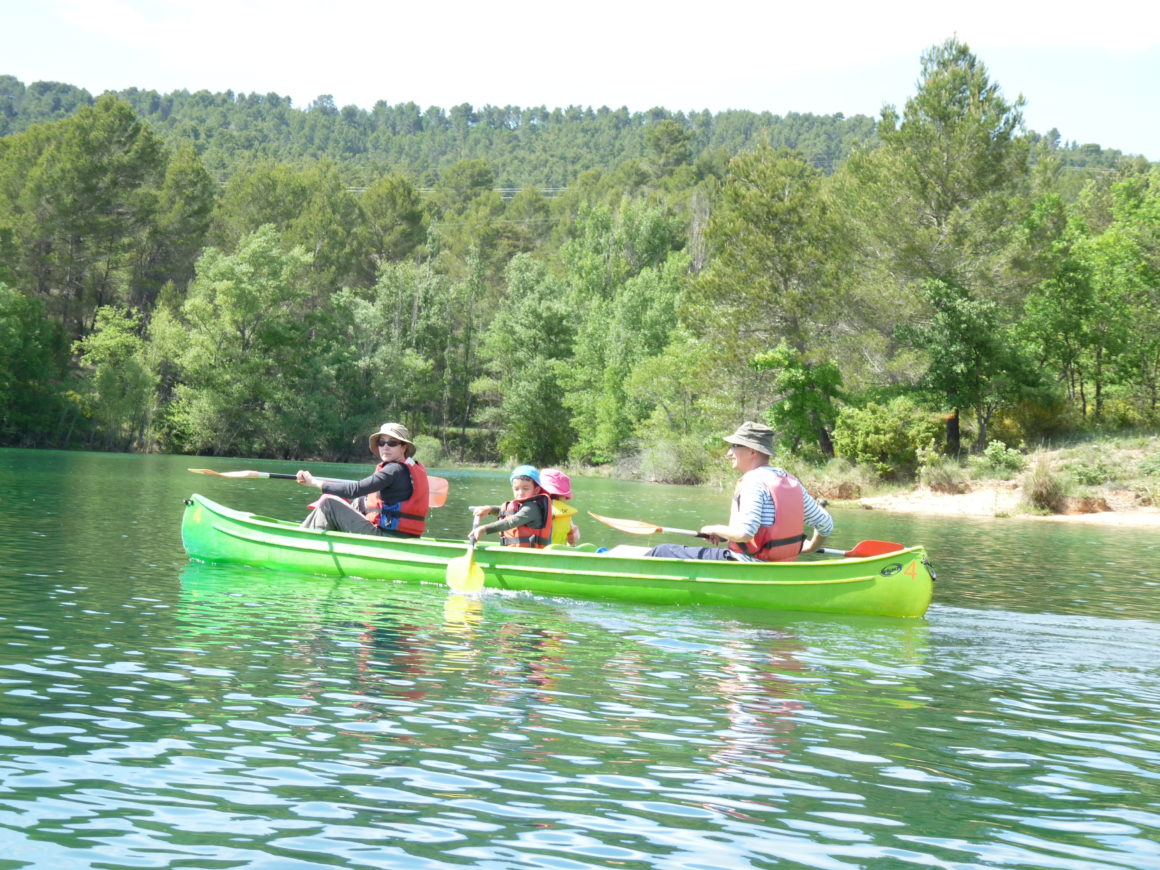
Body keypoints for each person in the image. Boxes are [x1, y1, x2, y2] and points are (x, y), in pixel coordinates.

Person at [646, 421, 833, 561]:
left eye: (734, 446)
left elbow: (745, 534)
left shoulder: (753, 481)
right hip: (776, 566)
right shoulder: (789, 481)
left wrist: (712, 528)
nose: (729, 453)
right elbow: (825, 524)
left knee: (660, 551)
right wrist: (807, 548)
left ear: (753, 452)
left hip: (743, 563)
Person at [296, 422, 429, 538]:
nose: (385, 447)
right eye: (381, 442)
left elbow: (355, 490)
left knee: (329, 504)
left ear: (403, 447)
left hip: (387, 537)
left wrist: (313, 482)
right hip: (403, 536)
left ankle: (303, 540)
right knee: (359, 502)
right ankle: (317, 532)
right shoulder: (407, 468)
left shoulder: (394, 470)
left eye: (392, 443)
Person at [469, 464, 553, 548]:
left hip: (530, 555)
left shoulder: (532, 507)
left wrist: (484, 529)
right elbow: (506, 512)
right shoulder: (522, 505)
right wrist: (489, 509)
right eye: (516, 489)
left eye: (526, 488)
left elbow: (511, 521)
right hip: (516, 552)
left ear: (536, 490)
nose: (520, 493)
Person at [540, 468, 581, 546]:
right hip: (553, 552)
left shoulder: (565, 514)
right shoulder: (565, 514)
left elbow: (575, 535)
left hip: (549, 551)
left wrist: (572, 537)